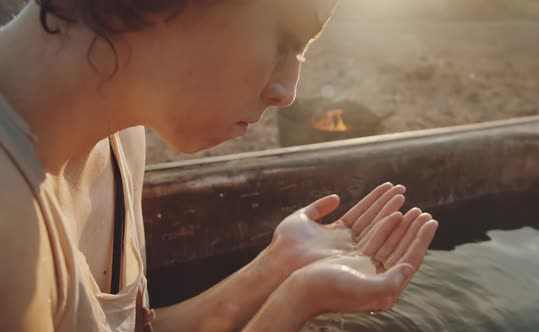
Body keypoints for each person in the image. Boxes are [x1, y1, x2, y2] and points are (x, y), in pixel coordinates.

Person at [0, 0, 439, 331]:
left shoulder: (119, 136)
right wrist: (293, 303)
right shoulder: (8, 221)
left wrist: (277, 266)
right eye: (286, 39)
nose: (288, 92)